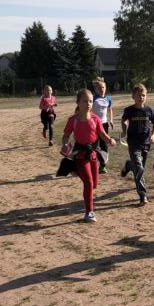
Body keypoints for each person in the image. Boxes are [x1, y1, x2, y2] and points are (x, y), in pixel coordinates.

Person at [58, 89, 116, 223]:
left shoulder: (95, 119)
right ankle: (89, 212)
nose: (88, 104)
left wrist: (110, 140)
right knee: (88, 183)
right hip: (80, 154)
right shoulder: (73, 120)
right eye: (85, 101)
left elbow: (102, 134)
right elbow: (66, 135)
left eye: (90, 101)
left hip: (93, 153)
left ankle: (79, 173)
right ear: (78, 102)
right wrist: (65, 144)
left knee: (94, 184)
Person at [120, 84, 154, 206]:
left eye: (143, 95)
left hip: (145, 143)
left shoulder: (149, 110)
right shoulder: (129, 110)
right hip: (133, 143)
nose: (141, 97)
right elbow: (123, 120)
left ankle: (129, 165)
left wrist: (153, 135)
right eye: (138, 95)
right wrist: (124, 129)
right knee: (139, 168)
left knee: (139, 168)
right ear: (133, 96)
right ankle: (142, 195)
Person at [91, 77, 114, 173]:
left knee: (104, 144)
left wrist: (111, 120)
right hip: (94, 125)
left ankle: (103, 165)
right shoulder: (93, 99)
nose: (101, 89)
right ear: (96, 89)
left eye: (103, 87)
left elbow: (110, 109)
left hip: (104, 124)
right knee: (95, 145)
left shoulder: (108, 99)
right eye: (99, 88)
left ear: (105, 88)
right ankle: (92, 163)